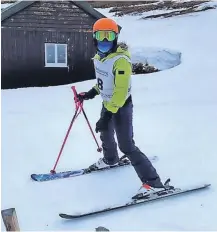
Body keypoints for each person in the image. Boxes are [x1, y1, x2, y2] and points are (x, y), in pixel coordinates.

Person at [77, 18, 166, 199]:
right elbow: (105, 81)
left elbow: (120, 89)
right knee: (106, 134)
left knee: (127, 145)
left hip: (121, 106)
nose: (104, 40)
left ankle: (154, 183)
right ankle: (110, 160)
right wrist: (91, 93)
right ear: (94, 38)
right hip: (108, 103)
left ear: (115, 38)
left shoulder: (121, 60)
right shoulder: (99, 58)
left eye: (108, 36)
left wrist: (108, 114)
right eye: (100, 36)